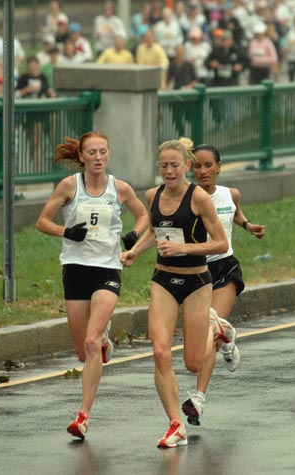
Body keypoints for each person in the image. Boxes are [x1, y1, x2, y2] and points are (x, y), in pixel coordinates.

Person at [36, 132, 149, 441]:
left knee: (90, 341)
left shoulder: (120, 188)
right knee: (83, 353)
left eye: (103, 152)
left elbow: (144, 216)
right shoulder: (70, 186)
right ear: (82, 157)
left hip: (107, 271)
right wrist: (66, 231)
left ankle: (83, 416)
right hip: (75, 270)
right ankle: (102, 346)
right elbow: (42, 221)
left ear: (108, 155)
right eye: (92, 153)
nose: (98, 158)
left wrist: (133, 236)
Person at [119, 137, 229, 448]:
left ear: (187, 167)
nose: (169, 171)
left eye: (175, 166)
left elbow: (220, 243)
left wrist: (183, 247)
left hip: (196, 282)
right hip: (163, 280)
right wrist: (136, 252)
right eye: (164, 166)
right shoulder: (153, 195)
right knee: (160, 352)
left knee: (194, 363)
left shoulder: (199, 199)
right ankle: (175, 424)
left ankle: (216, 327)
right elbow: (155, 231)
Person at [181, 143, 265, 427]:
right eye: (197, 166)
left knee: (209, 331)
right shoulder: (186, 197)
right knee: (212, 330)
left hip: (225, 268)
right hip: (195, 271)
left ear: (219, 167)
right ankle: (228, 335)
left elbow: (235, 213)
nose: (203, 171)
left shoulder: (231, 194)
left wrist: (248, 225)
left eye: (208, 166)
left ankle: (198, 399)